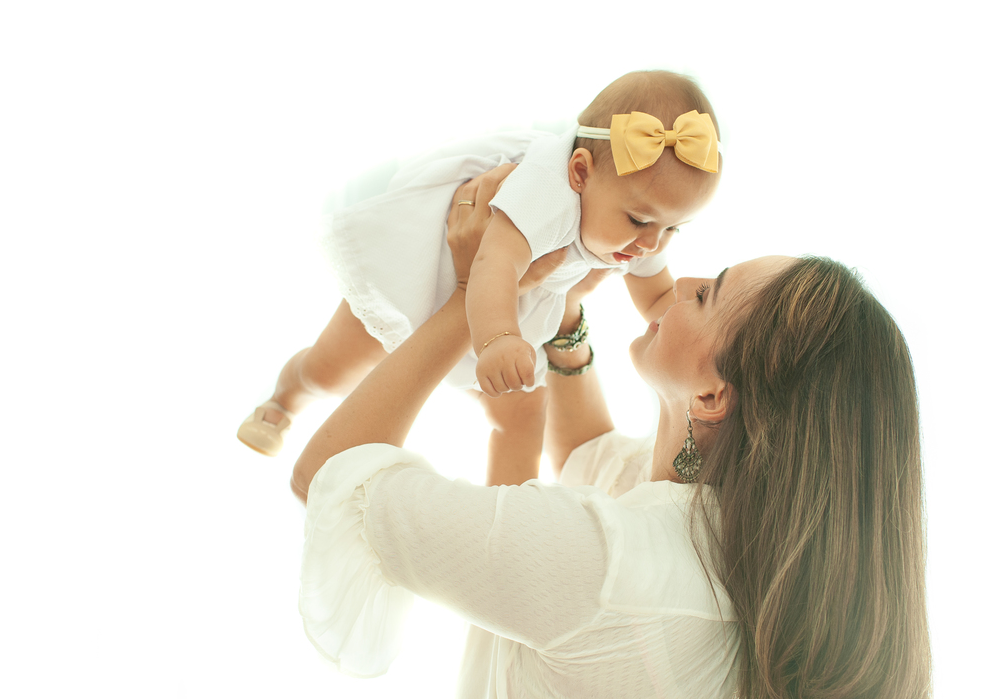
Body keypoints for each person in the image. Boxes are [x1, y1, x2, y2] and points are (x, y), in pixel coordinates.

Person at [292, 172, 949, 699]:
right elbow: (588, 455)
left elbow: (330, 473)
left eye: (706, 295)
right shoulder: (739, 540)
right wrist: (567, 315)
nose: (679, 280)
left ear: (714, 395)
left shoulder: (604, 562)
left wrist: (471, 301)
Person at [237, 70, 721, 487]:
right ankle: (284, 398)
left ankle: (503, 516)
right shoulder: (545, 192)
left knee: (525, 414)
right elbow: (494, 264)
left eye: (673, 228)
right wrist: (500, 337)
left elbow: (657, 294)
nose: (652, 245)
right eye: (641, 222)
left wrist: (702, 333)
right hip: (430, 286)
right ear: (579, 172)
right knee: (331, 369)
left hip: (509, 313)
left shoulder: (637, 218)